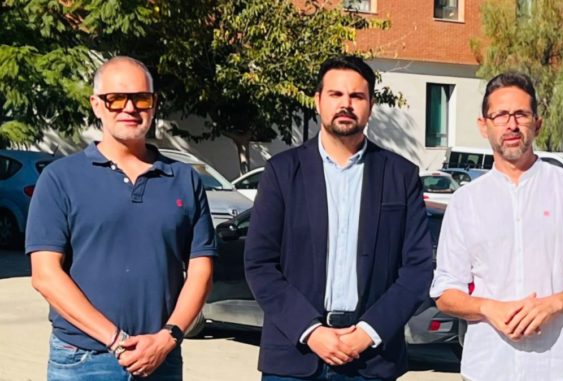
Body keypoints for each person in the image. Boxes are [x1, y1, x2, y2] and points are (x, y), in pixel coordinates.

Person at [26, 56, 215, 380]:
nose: (130, 108)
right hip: (84, 360)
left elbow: (201, 270)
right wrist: (116, 340)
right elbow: (45, 275)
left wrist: (168, 337)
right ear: (97, 105)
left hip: (160, 358)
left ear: (154, 104)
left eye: (141, 98)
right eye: (116, 99)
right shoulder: (60, 178)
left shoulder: (184, 179)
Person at [244, 55, 433, 380]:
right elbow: (260, 264)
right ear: (318, 100)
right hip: (295, 355)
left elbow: (418, 269)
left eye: (357, 96)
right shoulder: (283, 172)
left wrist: (369, 332)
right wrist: (311, 330)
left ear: (371, 105)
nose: (346, 104)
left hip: (371, 359)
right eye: (335, 94)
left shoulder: (400, 176)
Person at [430, 72, 563, 381]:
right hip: (488, 368)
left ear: (537, 123)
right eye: (501, 115)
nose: (511, 125)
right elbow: (445, 291)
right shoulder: (466, 202)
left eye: (521, 114)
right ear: (484, 125)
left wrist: (555, 303)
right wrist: (488, 308)